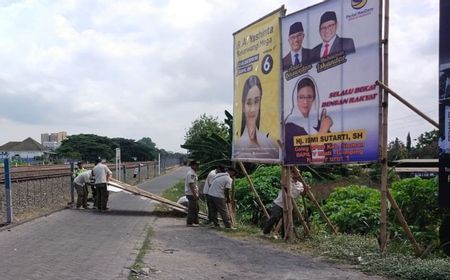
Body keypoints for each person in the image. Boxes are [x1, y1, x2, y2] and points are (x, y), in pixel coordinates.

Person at [284, 77, 333, 163]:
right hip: (303, 174)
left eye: (309, 97)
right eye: (301, 97)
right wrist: (322, 132)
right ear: (296, 99)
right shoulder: (289, 127)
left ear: (314, 99)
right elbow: (299, 160)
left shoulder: (320, 124)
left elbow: (330, 157)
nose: (305, 102)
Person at [234, 75, 279, 159]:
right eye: (248, 103)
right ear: (243, 106)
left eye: (256, 101)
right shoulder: (238, 146)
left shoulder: (270, 143)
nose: (253, 109)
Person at [185, 160, 200, 227]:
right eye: (196, 165)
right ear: (192, 165)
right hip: (191, 194)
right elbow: (191, 184)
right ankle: (189, 222)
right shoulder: (191, 173)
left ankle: (195, 221)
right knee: (192, 208)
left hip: (192, 193)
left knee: (196, 208)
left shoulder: (193, 173)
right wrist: (195, 194)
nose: (197, 167)